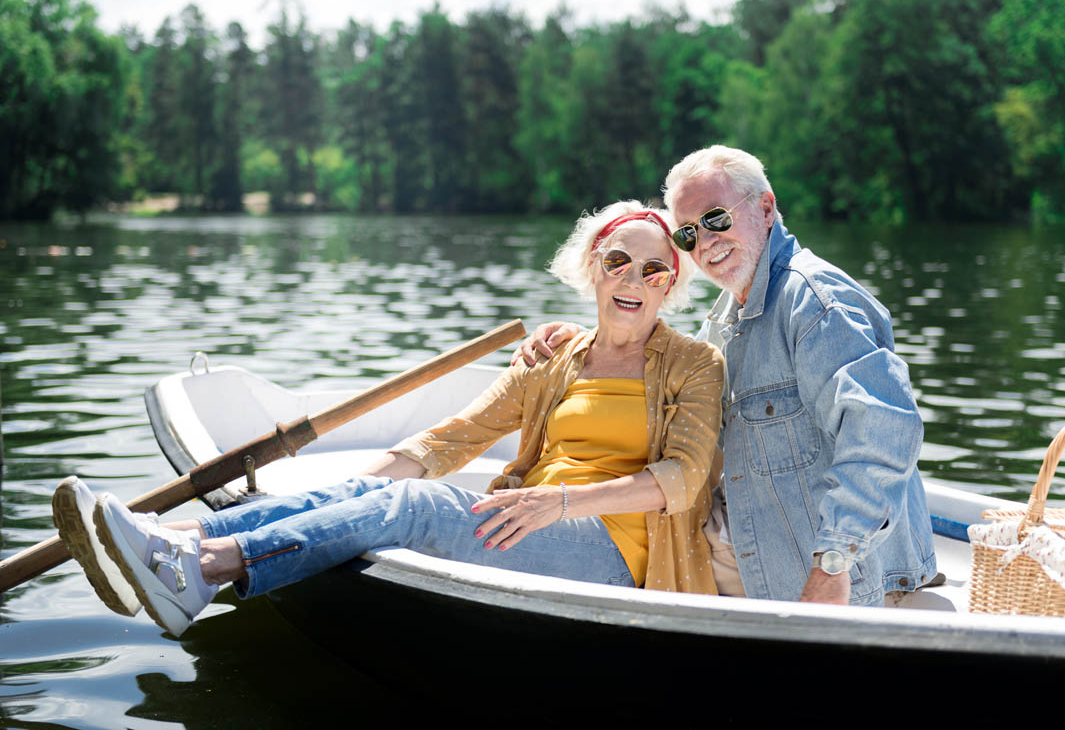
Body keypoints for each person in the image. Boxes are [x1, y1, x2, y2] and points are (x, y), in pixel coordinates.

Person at [53, 200, 725, 636]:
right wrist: (353, 494)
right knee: (388, 487)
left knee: (416, 506)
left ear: (671, 282)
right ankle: (170, 538)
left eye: (654, 269)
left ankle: (203, 570)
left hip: (614, 553)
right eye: (618, 262)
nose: (633, 280)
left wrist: (561, 500)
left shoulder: (694, 365)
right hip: (531, 522)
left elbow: (684, 479)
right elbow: (450, 440)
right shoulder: (555, 359)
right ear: (593, 269)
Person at [516, 147, 937, 606]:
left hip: (832, 581)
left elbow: (884, 430)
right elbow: (668, 374)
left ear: (766, 207)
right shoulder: (725, 317)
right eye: (687, 233)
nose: (705, 242)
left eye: (716, 218)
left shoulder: (814, 301)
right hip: (750, 550)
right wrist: (583, 341)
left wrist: (833, 561)